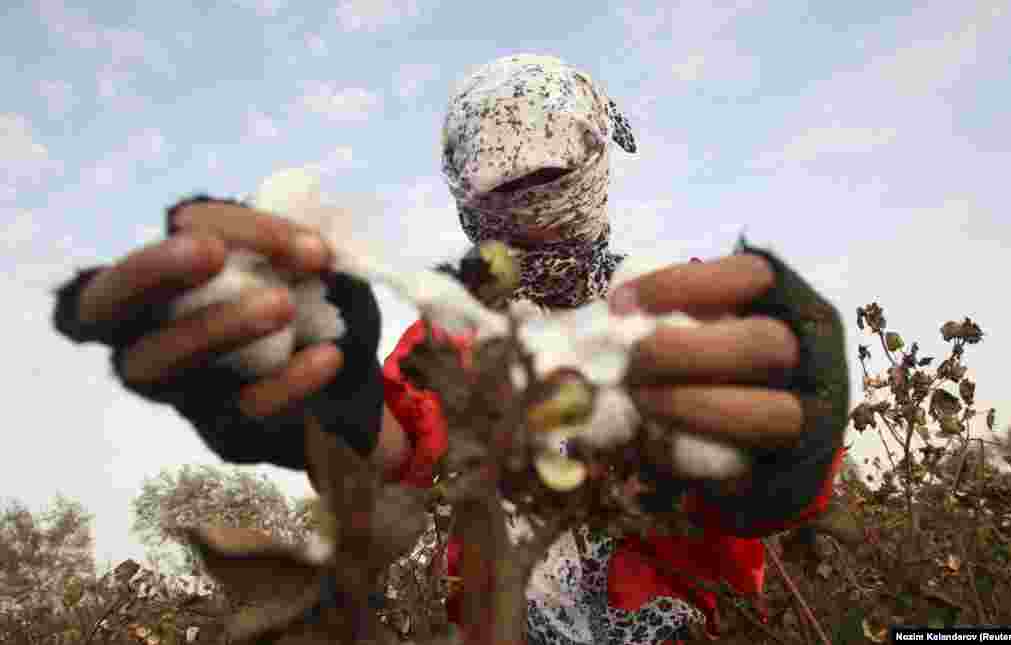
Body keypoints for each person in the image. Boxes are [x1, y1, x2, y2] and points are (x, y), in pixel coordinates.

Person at [53, 54, 848, 644]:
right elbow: (400, 443)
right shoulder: (451, 338)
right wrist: (331, 407)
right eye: (503, 183)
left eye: (546, 172)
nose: (529, 204)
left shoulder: (685, 309)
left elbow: (781, 449)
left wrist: (796, 445)